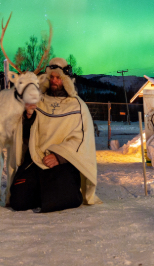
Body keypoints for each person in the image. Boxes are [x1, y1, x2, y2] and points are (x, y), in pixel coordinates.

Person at [8, 57, 101, 212]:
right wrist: (28, 117)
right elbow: (26, 135)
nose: (54, 81)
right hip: (36, 158)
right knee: (18, 201)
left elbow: (81, 140)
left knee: (58, 199)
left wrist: (59, 157)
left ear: (65, 80)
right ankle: (42, 189)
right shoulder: (39, 101)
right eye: (51, 77)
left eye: (58, 78)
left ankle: (55, 191)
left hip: (63, 162)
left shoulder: (78, 106)